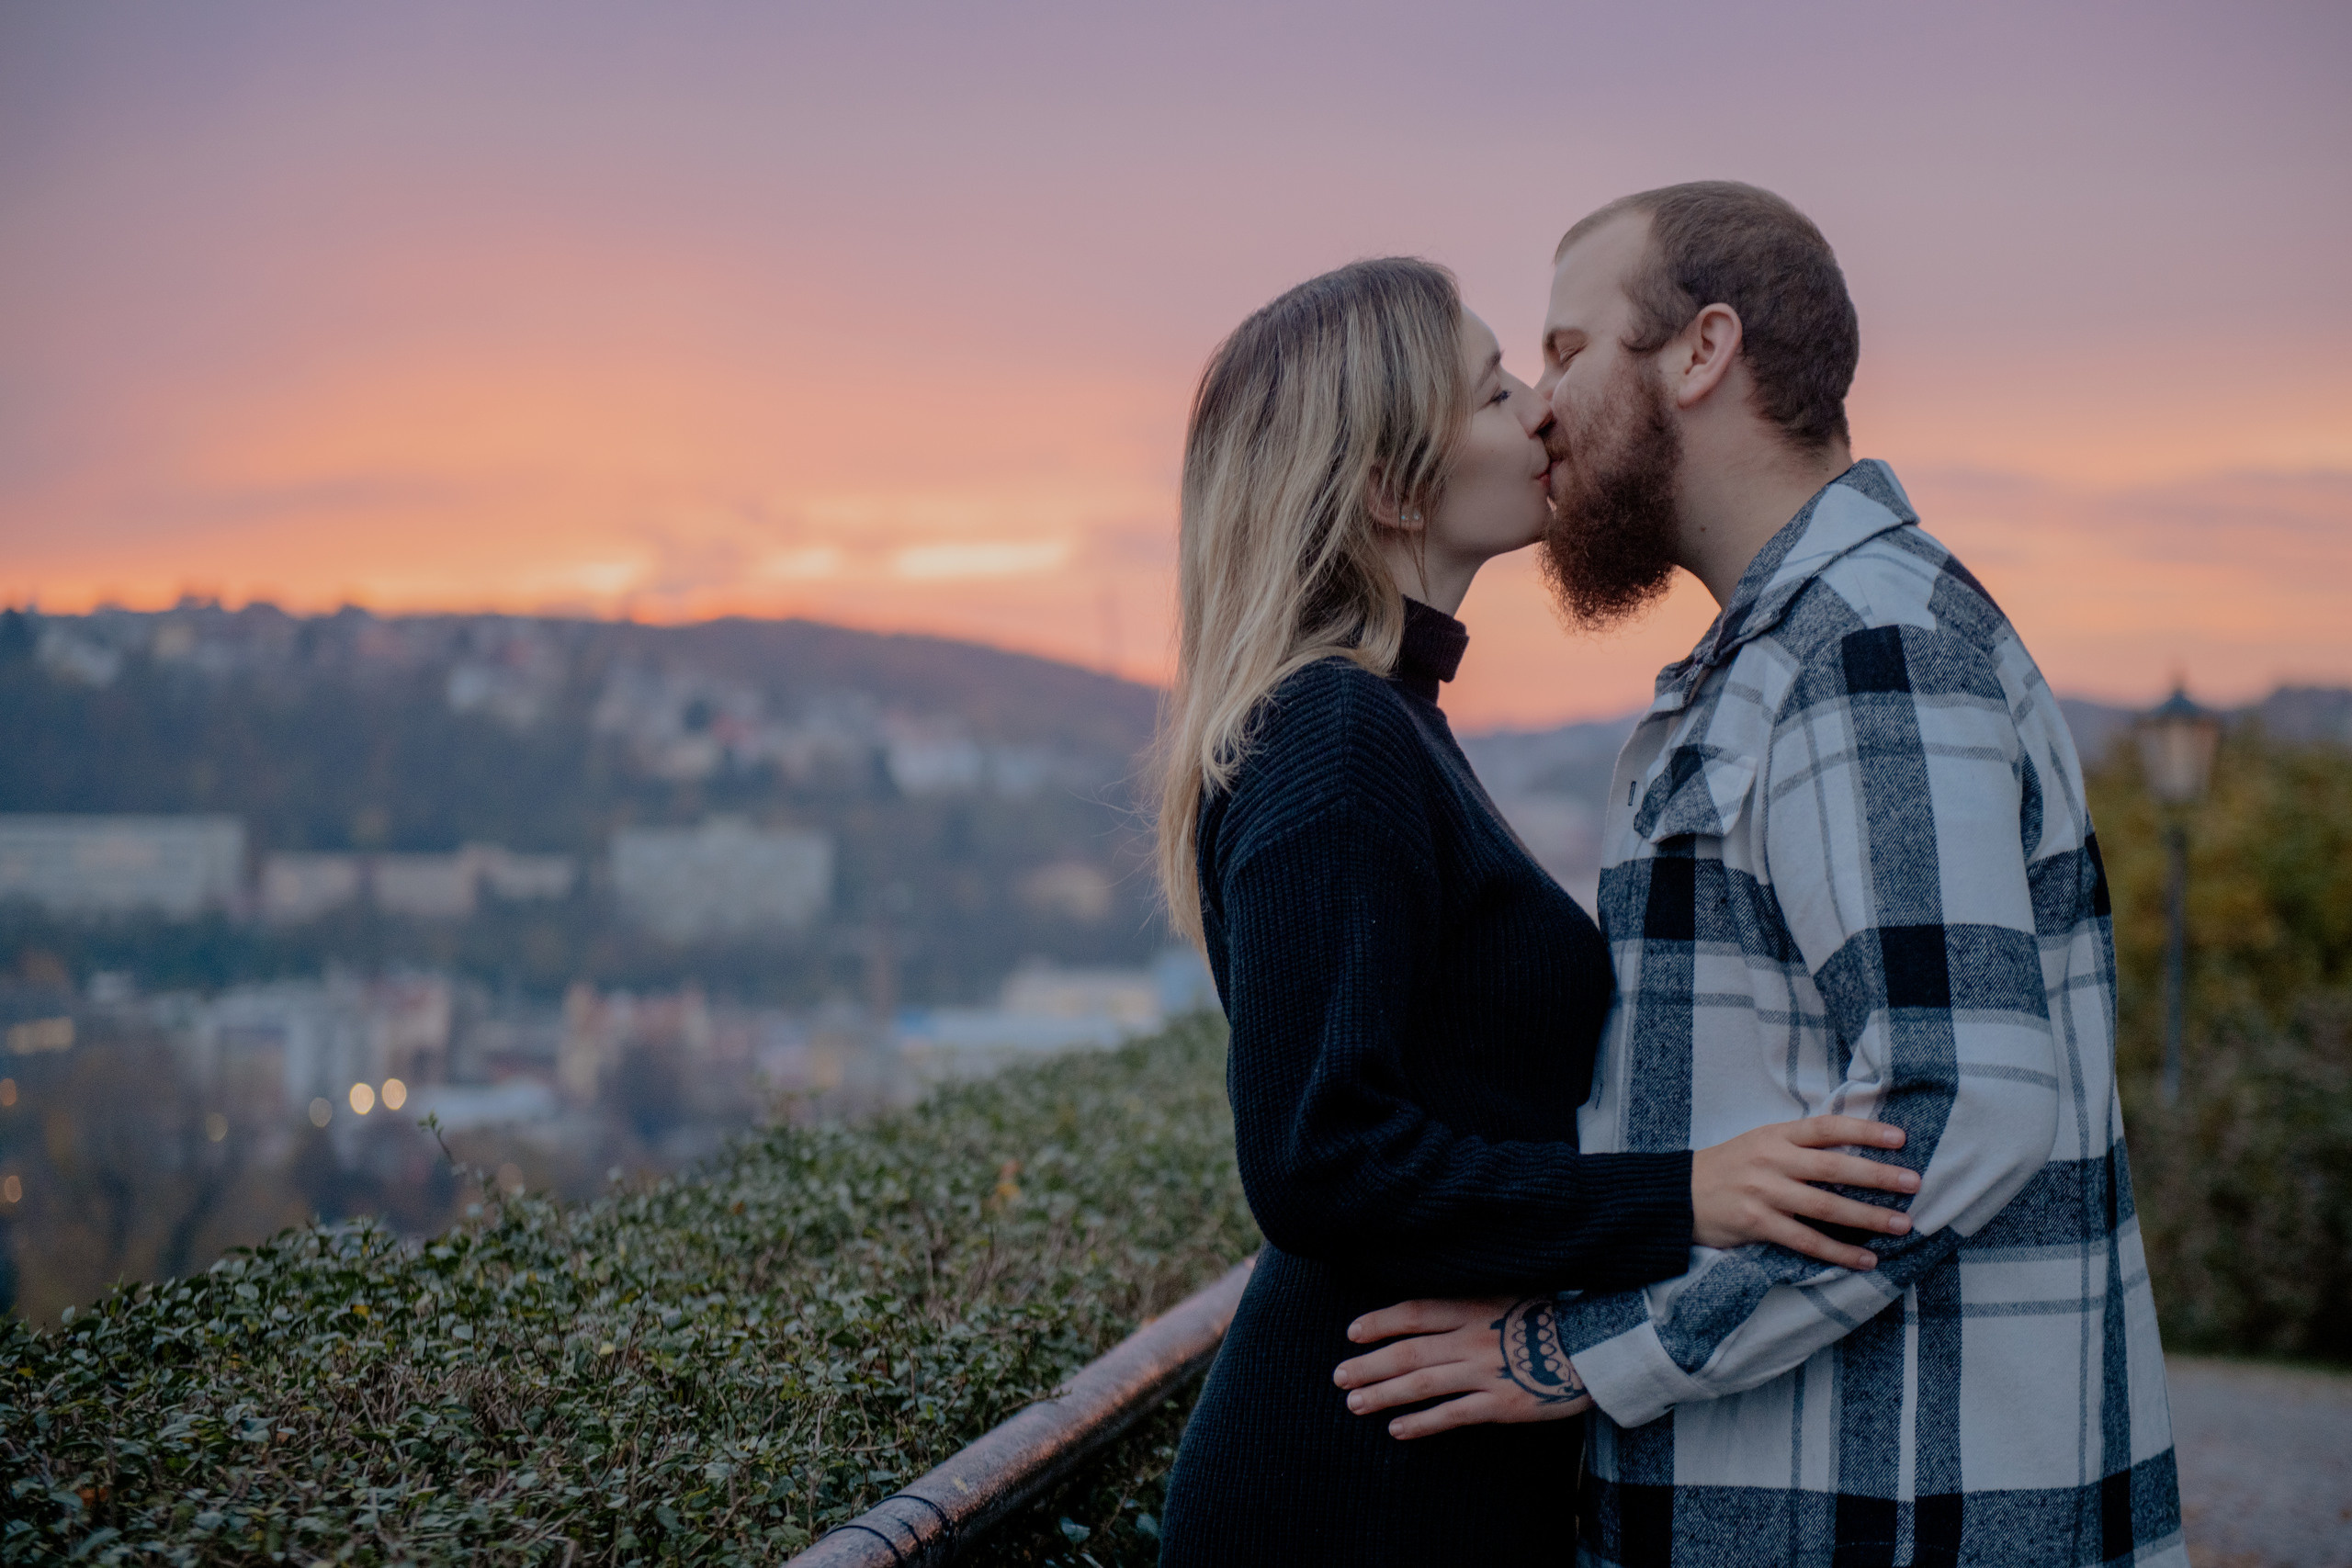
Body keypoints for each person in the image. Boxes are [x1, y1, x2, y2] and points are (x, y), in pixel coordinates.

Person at [1334, 182, 2186, 1567]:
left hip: (1889, 1516)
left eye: (1565, 353)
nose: (1539, 408)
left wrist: (1579, 1354)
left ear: (1700, 350)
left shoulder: (1865, 650)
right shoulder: (1787, 653)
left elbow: (1957, 1101)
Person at [1151, 256, 1924, 1566]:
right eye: (1497, 389)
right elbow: (1316, 1156)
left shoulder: (1390, 724)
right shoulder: (1337, 735)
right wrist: (1686, 1196)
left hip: (1421, 1462)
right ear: (1394, 482)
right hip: (1350, 1498)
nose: (1545, 413)